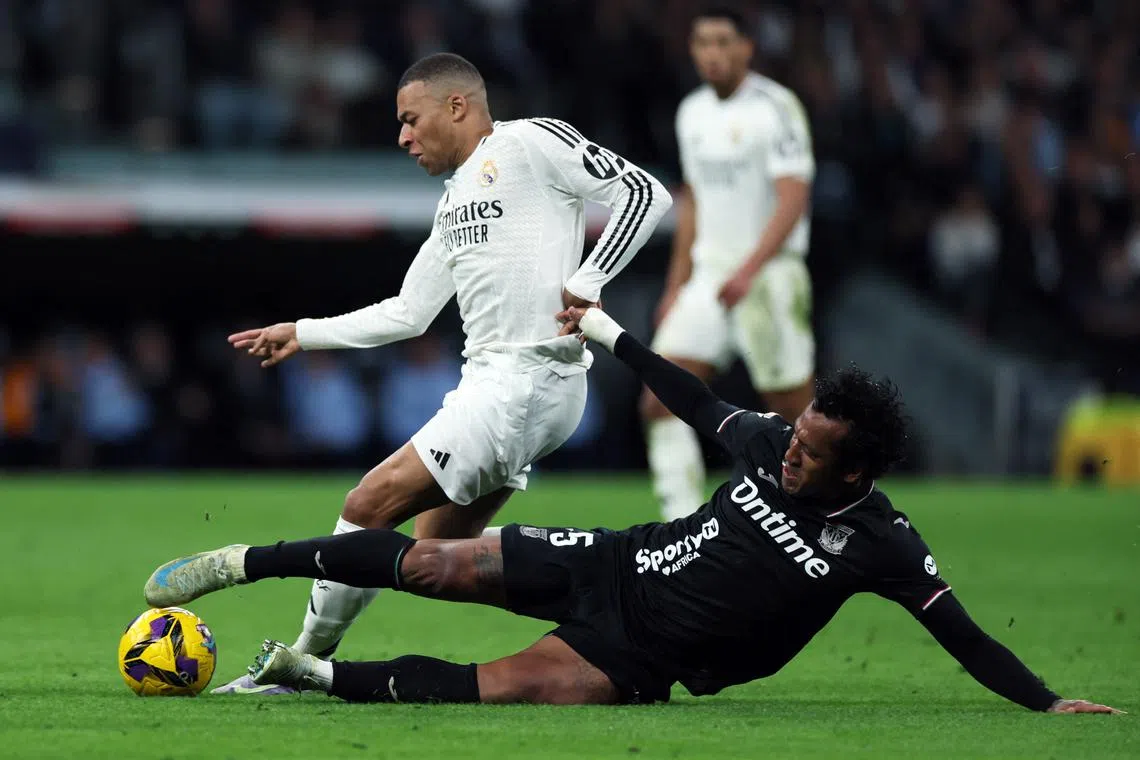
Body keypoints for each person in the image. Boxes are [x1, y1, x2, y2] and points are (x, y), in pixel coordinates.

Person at [145, 307, 1120, 715]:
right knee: (435, 563)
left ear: (855, 468)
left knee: (505, 687)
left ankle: (308, 675)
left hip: (646, 657)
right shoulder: (770, 441)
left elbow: (962, 634)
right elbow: (695, 400)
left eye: (812, 447)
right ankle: (245, 563)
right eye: (796, 428)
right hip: (613, 562)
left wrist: (1043, 701)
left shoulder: (882, 542)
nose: (790, 445)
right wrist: (609, 329)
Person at [211, 52, 672, 694]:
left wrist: (589, 280)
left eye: (409, 119)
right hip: (507, 387)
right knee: (436, 556)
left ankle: (294, 667)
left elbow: (645, 193)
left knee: (367, 504)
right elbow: (408, 313)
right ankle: (602, 599)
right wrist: (304, 333)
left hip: (524, 379)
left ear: (456, 106)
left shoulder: (530, 142)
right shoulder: (454, 202)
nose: (402, 137)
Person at [646, 5, 817, 521]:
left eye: (723, 42)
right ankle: (680, 524)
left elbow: (793, 197)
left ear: (747, 47)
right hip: (708, 276)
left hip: (770, 276)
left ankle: (824, 518)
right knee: (659, 398)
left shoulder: (776, 106)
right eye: (703, 43)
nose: (712, 53)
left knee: (796, 418)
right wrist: (677, 284)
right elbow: (692, 201)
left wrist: (750, 270)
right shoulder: (691, 111)